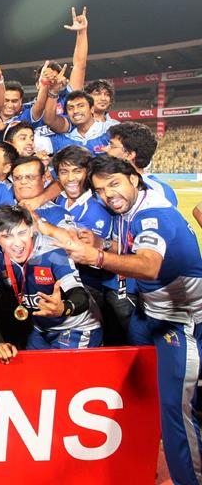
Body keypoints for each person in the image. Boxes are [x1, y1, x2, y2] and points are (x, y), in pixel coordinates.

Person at [62, 155, 202, 485]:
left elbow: (149, 264)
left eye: (114, 184)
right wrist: (103, 243)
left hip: (180, 322)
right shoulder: (129, 210)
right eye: (100, 189)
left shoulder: (152, 214)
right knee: (145, 388)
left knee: (175, 410)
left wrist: (97, 256)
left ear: (134, 180)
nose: (108, 194)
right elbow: (131, 247)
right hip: (152, 315)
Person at [0, 204, 101, 351]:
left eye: (22, 233)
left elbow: (80, 295)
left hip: (76, 328)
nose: (17, 243)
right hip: (40, 329)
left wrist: (64, 308)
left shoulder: (53, 251)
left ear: (31, 231)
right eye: (7, 236)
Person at [51, 146, 129, 344]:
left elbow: (90, 256)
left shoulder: (99, 208)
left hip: (88, 287)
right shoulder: (56, 200)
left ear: (88, 173)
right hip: (57, 282)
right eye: (64, 171)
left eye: (77, 171)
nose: (70, 178)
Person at [106, 121, 178, 206]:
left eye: (112, 146)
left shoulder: (159, 190)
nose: (106, 149)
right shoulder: (103, 186)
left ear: (129, 155)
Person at [11, 156, 72, 227]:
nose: (23, 181)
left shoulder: (57, 213)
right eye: (18, 178)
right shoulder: (2, 199)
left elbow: (70, 237)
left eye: (30, 177)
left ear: (43, 179)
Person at [43, 91, 110, 154]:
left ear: (92, 109)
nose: (75, 111)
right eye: (70, 108)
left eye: (81, 106)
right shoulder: (62, 140)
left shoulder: (110, 130)